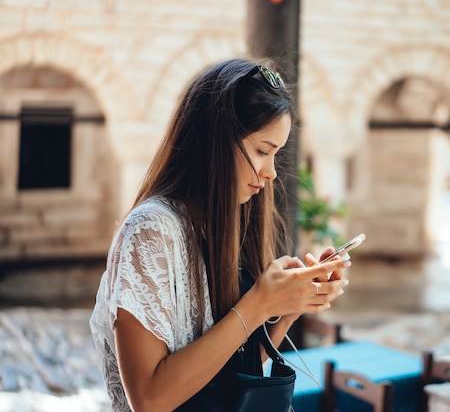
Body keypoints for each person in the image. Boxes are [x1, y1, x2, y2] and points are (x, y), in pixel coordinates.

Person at [89, 58, 350, 412]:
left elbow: (229, 372)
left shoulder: (224, 223)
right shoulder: (152, 232)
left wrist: (286, 307)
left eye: (276, 154)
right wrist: (257, 303)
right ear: (216, 140)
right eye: (262, 151)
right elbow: (149, 400)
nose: (271, 172)